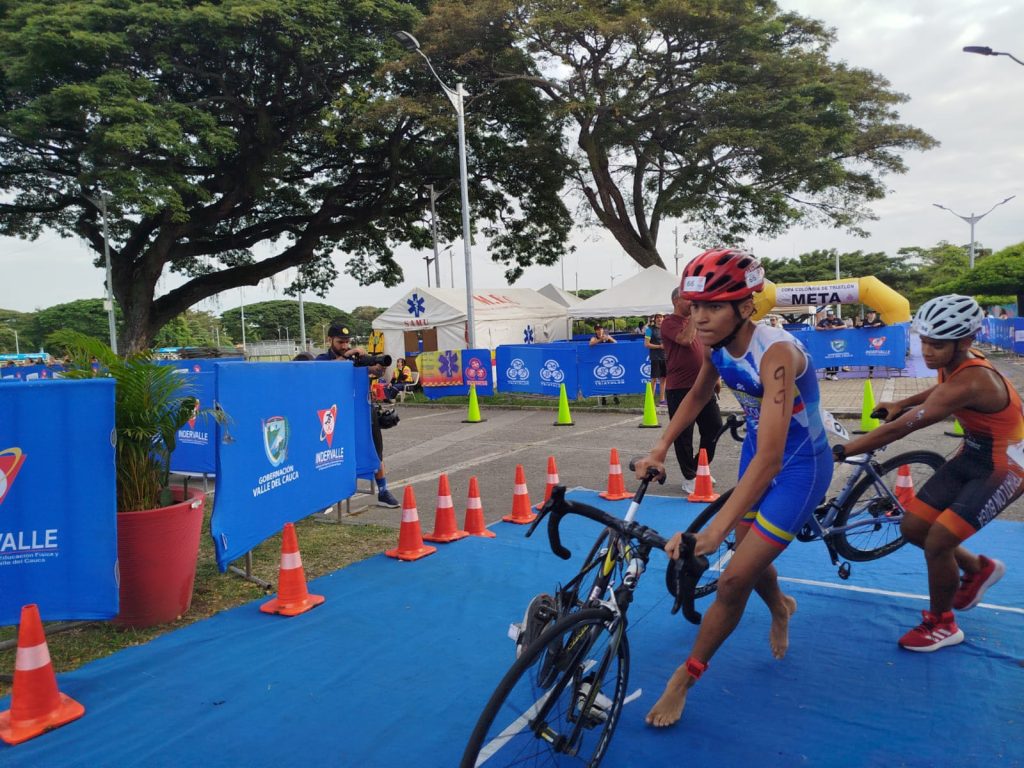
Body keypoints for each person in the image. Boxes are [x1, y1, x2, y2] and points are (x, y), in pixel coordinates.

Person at [636, 248, 832, 728]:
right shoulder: (719, 346)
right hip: (759, 459)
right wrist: (661, 447)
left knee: (732, 578)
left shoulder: (778, 353)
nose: (698, 317)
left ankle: (684, 677)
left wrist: (713, 531)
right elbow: (700, 394)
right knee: (750, 558)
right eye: (694, 305)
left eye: (713, 307)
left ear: (745, 307)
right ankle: (781, 607)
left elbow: (771, 458)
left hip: (799, 468)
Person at [837, 295, 1021, 652]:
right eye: (923, 340)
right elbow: (943, 388)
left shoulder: (975, 380)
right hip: (973, 453)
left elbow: (898, 430)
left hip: (1006, 467)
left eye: (937, 344)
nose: (928, 351)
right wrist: (901, 402)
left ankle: (943, 624)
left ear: (965, 341)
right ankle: (978, 568)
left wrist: (841, 451)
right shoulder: (955, 364)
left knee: (938, 541)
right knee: (913, 527)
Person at [316, 322, 400, 508]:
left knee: (375, 448)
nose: (345, 346)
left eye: (347, 342)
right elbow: (322, 371)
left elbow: (376, 372)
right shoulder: (324, 358)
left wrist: (378, 363)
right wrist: (346, 358)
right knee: (331, 454)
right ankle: (328, 497)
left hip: (361, 409)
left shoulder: (355, 359)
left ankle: (383, 490)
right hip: (336, 414)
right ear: (329, 340)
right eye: (340, 342)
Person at [661, 287, 723, 494]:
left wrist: (716, 377)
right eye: (690, 301)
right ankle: (689, 477)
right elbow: (685, 340)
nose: (694, 304)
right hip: (679, 387)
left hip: (703, 385)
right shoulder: (669, 322)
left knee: (714, 427)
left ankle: (700, 467)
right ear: (677, 300)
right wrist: (695, 319)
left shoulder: (698, 323)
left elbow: (708, 348)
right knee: (683, 434)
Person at [589, 324, 619, 406]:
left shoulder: (607, 336)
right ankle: (603, 398)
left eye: (601, 329)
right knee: (602, 380)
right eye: (597, 329)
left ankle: (615, 397)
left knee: (613, 380)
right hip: (600, 363)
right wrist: (600, 340)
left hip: (610, 362)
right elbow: (591, 344)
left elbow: (616, 343)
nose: (599, 331)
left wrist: (609, 339)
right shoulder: (594, 337)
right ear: (595, 331)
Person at [644, 313, 668, 405]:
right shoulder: (649, 330)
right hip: (655, 357)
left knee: (663, 379)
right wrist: (659, 346)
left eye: (661, 317)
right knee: (654, 379)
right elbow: (646, 344)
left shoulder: (666, 329)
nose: (659, 319)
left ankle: (662, 400)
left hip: (665, 357)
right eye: (657, 317)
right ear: (654, 319)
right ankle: (650, 401)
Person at [816, 308, 845, 380]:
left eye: (831, 316)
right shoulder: (824, 321)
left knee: (836, 356)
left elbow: (845, 326)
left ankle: (834, 374)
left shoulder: (838, 320)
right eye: (829, 316)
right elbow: (816, 327)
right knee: (827, 356)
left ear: (834, 315)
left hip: (836, 341)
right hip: (826, 341)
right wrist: (824, 329)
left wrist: (835, 327)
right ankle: (829, 373)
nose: (830, 317)